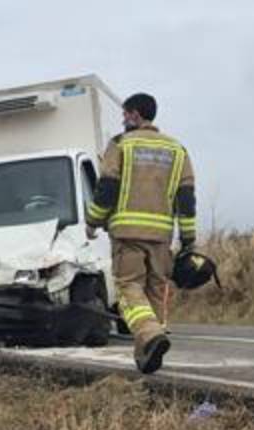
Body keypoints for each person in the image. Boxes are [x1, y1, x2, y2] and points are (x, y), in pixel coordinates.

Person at [85, 92, 196, 374]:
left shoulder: (121, 145)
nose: (123, 120)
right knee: (156, 290)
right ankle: (146, 356)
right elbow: (186, 199)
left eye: (125, 114)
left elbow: (106, 188)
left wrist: (92, 222)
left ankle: (148, 334)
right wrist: (188, 240)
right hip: (161, 237)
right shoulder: (177, 150)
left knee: (129, 288)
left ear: (135, 114)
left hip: (127, 233)